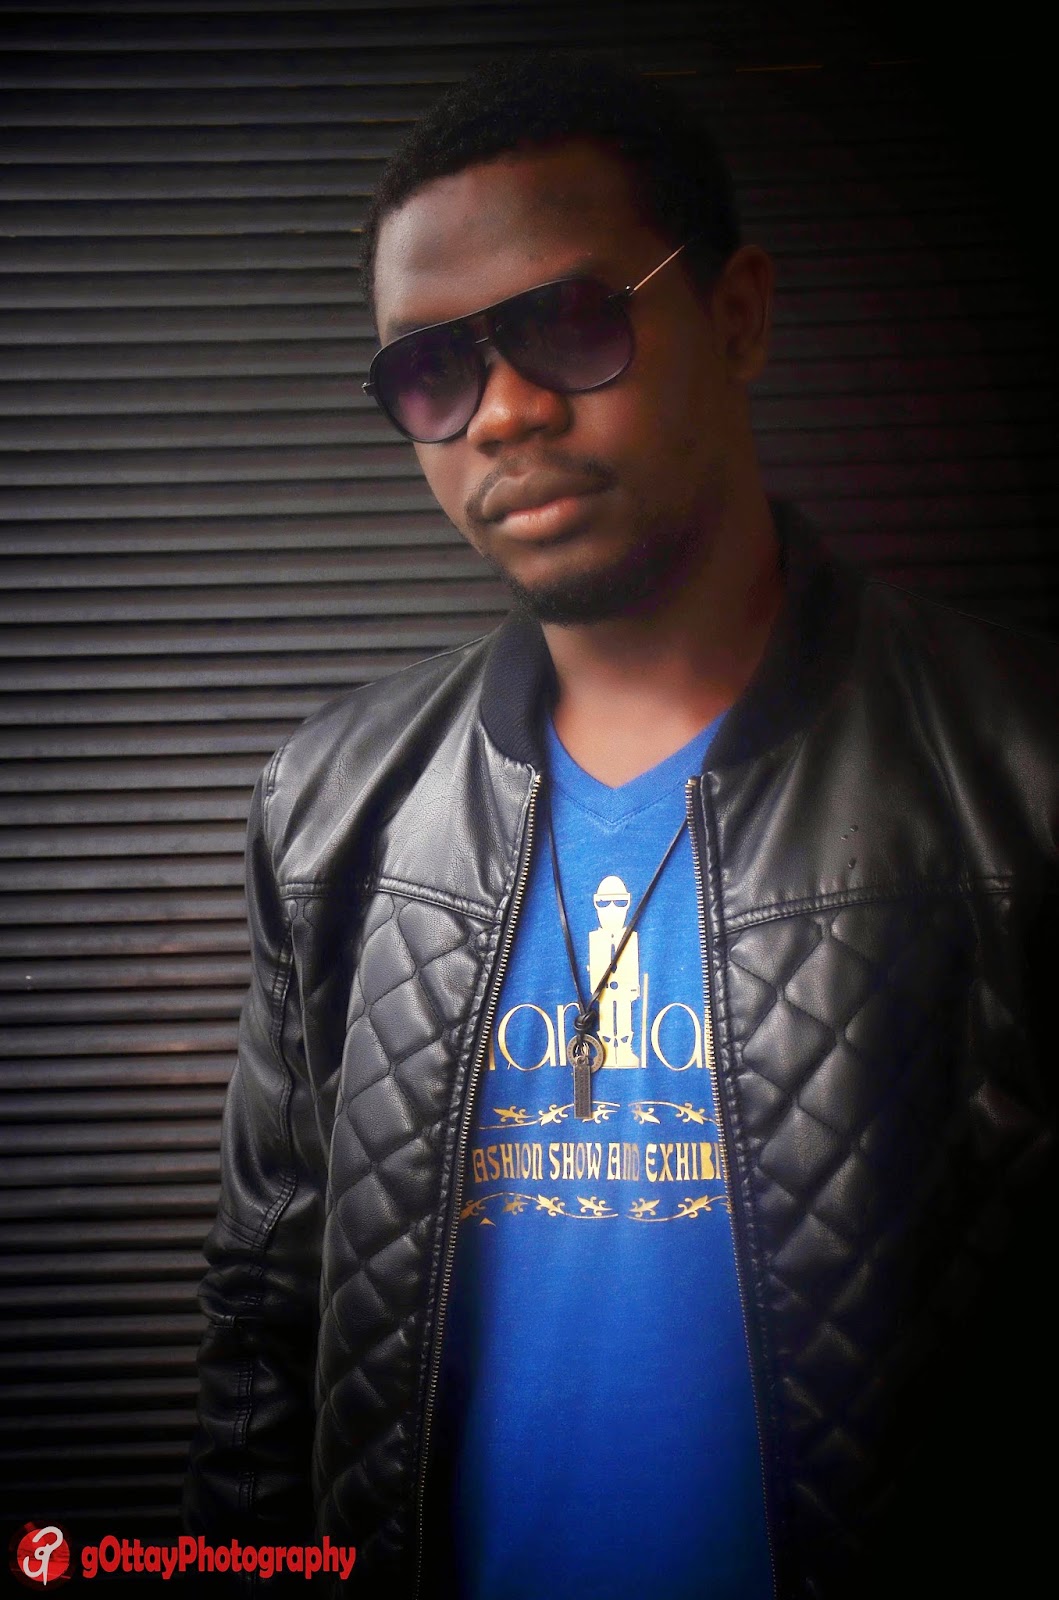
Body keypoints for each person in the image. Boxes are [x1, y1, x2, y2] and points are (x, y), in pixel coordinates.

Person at [185, 53, 1057, 1600]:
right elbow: (268, 1323)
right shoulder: (329, 809)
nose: (506, 411)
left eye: (572, 322)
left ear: (738, 315)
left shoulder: (1022, 771)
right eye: (433, 373)